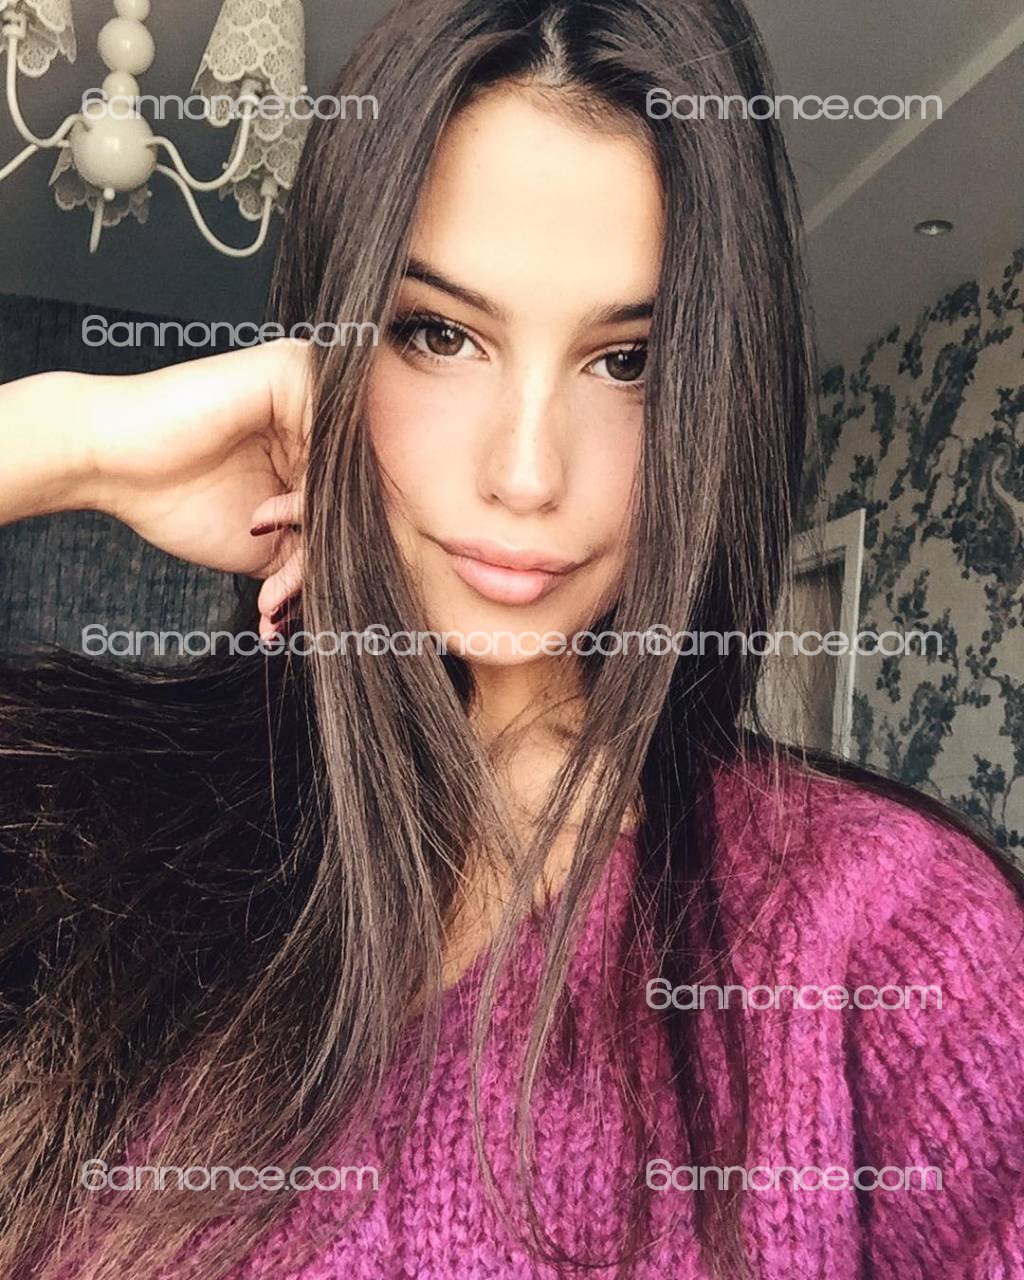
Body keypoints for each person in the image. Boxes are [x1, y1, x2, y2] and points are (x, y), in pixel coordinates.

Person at [1, 1, 1021, 1277]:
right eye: (439, 334)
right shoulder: (87, 828)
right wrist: (68, 441)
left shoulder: (890, 943)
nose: (528, 473)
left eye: (629, 360)